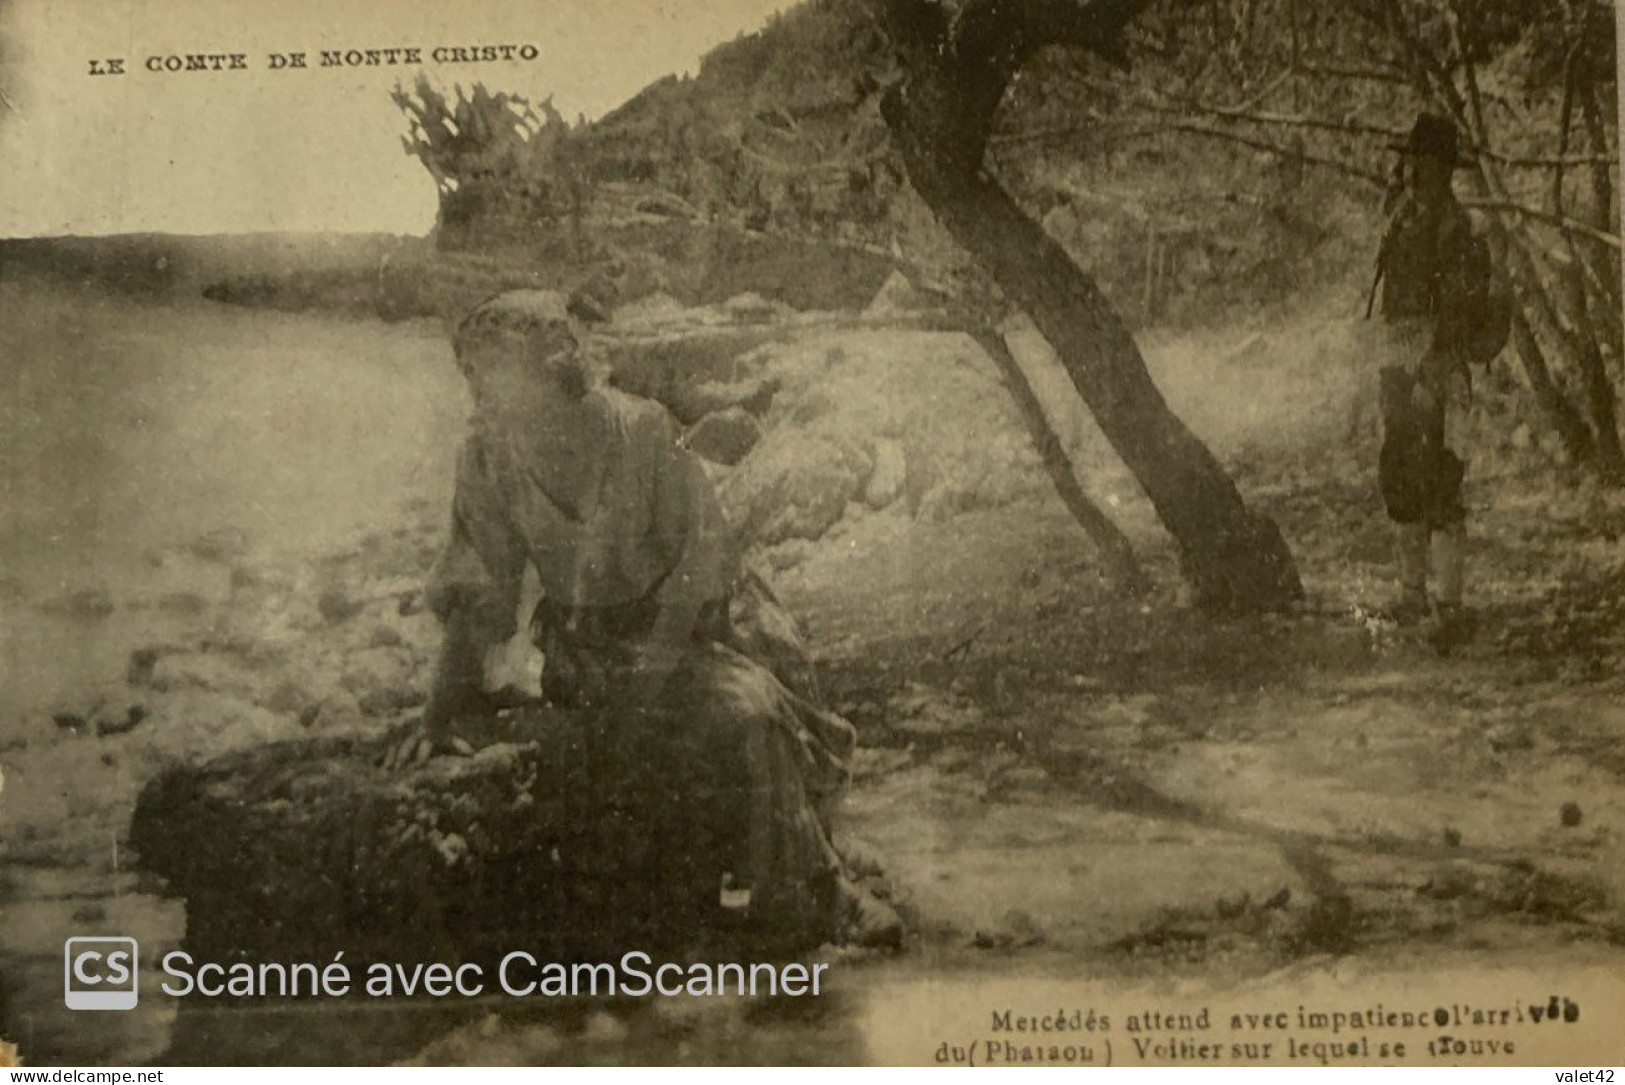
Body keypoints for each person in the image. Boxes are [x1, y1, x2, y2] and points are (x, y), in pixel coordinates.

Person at [386, 289, 902, 948]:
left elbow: (699, 567)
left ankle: (825, 893)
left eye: (495, 368)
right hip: (589, 641)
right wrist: (438, 709)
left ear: (552, 364)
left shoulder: (641, 432)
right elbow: (478, 585)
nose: (477, 386)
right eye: (471, 370)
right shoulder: (488, 457)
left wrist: (657, 668)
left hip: (701, 627)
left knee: (747, 714)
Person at [1370, 112, 1486, 648]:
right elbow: (1390, 302)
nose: (1417, 172)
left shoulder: (1455, 227)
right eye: (1413, 162)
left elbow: (1459, 309)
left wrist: (1432, 371)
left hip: (1440, 359)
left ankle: (1450, 604)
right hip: (1399, 353)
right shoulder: (1403, 217)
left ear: (1446, 171)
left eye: (1427, 164)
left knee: (1441, 475)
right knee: (1399, 471)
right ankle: (1412, 592)